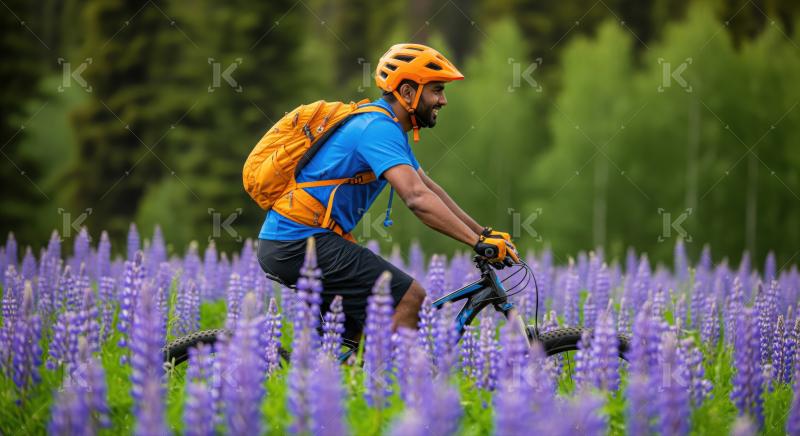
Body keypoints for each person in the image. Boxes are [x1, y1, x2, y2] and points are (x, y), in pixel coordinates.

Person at [257, 43, 519, 345]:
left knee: (351, 340)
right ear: (407, 93)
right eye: (436, 90)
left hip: (296, 241)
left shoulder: (389, 127)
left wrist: (483, 233)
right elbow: (416, 198)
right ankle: (386, 389)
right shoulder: (377, 128)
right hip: (299, 241)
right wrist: (475, 242)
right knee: (410, 300)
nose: (443, 100)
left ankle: (335, 385)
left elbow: (429, 188)